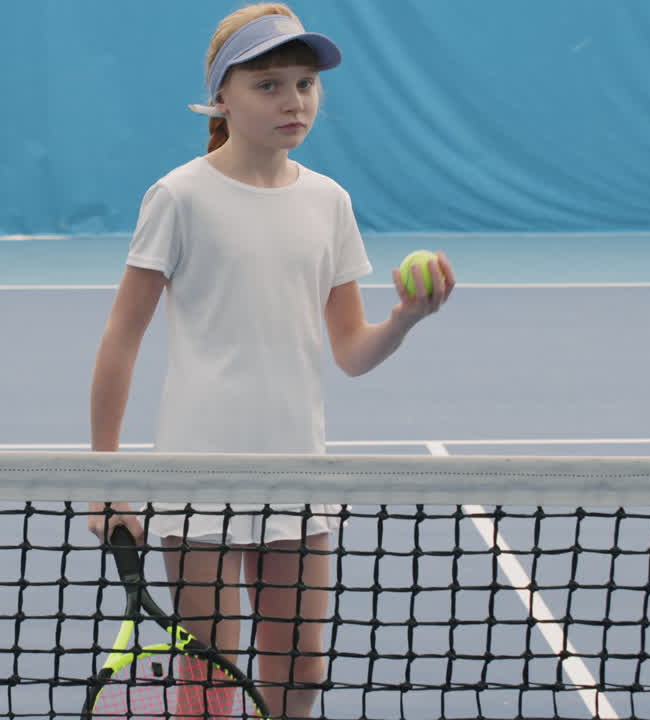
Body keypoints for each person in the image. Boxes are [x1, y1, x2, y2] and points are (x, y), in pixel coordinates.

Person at [88, 3, 454, 717]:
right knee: (213, 682)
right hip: (200, 478)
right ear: (221, 96)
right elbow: (121, 336)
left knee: (301, 675)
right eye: (269, 85)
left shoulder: (330, 202)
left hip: (299, 472)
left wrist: (405, 320)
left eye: (306, 84)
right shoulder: (179, 196)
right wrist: (105, 477)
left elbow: (351, 351)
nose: (294, 101)